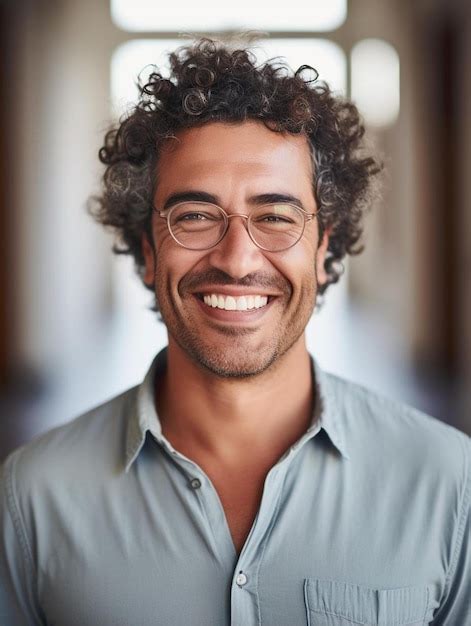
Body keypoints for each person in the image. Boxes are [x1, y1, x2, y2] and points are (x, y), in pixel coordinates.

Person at [0, 38, 469, 626]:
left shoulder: (449, 483)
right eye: (195, 216)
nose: (238, 259)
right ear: (147, 250)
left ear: (324, 250)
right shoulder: (32, 497)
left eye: (275, 216)